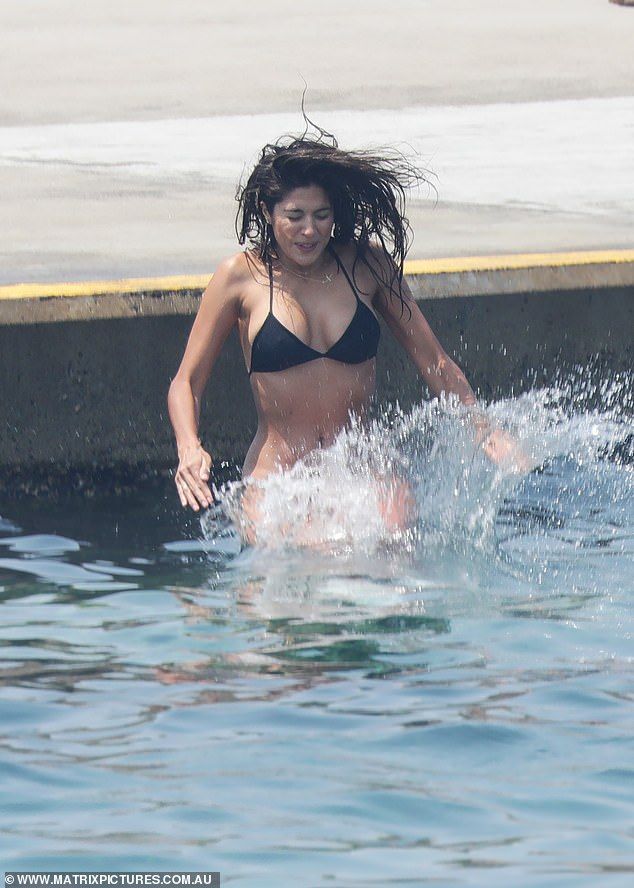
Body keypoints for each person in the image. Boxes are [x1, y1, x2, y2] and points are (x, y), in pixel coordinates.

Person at [167, 126, 526, 530]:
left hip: (361, 469)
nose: (309, 231)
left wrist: (482, 428)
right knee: (290, 564)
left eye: (321, 216)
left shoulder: (367, 266)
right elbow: (186, 382)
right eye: (294, 217)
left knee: (395, 553)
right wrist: (189, 447)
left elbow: (435, 361)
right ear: (268, 213)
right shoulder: (240, 276)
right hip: (281, 479)